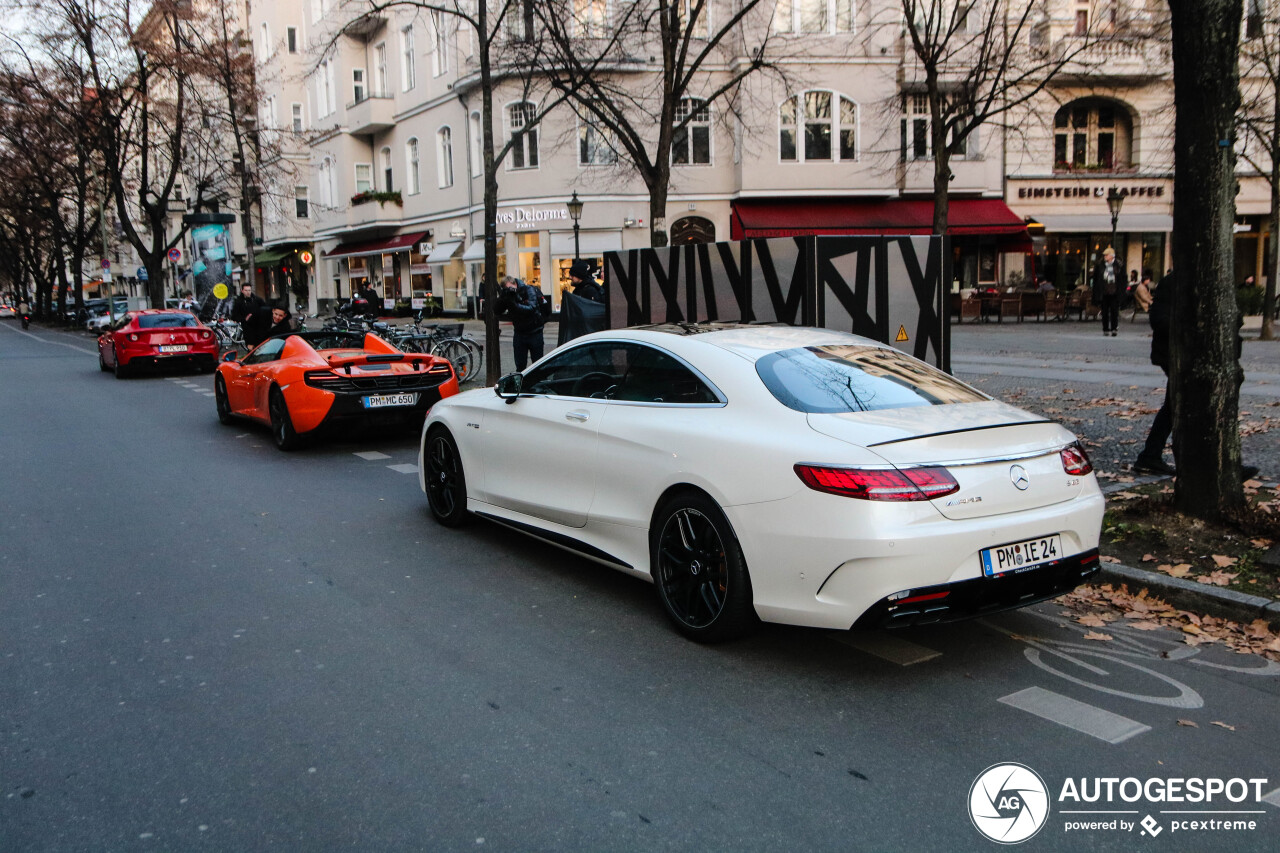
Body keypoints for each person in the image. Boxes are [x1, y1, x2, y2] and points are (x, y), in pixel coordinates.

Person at [1134, 272, 1176, 475]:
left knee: (1173, 405)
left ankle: (1150, 455)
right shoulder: (1173, 283)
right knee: (1176, 405)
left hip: (1177, 353)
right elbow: (1159, 320)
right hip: (1174, 354)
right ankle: (1150, 455)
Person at [495, 275, 545, 370]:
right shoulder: (508, 295)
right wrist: (503, 297)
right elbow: (497, 310)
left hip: (535, 332)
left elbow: (532, 308)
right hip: (519, 333)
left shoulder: (528, 290)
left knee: (538, 365)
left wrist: (514, 305)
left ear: (515, 284)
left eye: (510, 288)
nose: (510, 290)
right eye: (506, 289)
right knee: (520, 365)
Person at [1091, 246, 1123, 336]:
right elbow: (1096, 279)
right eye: (1104, 255)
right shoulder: (1100, 265)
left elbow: (1122, 279)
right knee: (1104, 312)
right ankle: (1105, 328)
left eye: (1107, 255)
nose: (1105, 256)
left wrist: (1121, 291)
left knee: (1114, 311)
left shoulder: (1118, 265)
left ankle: (1114, 328)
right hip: (1104, 292)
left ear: (1112, 256)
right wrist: (1096, 291)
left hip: (1114, 292)